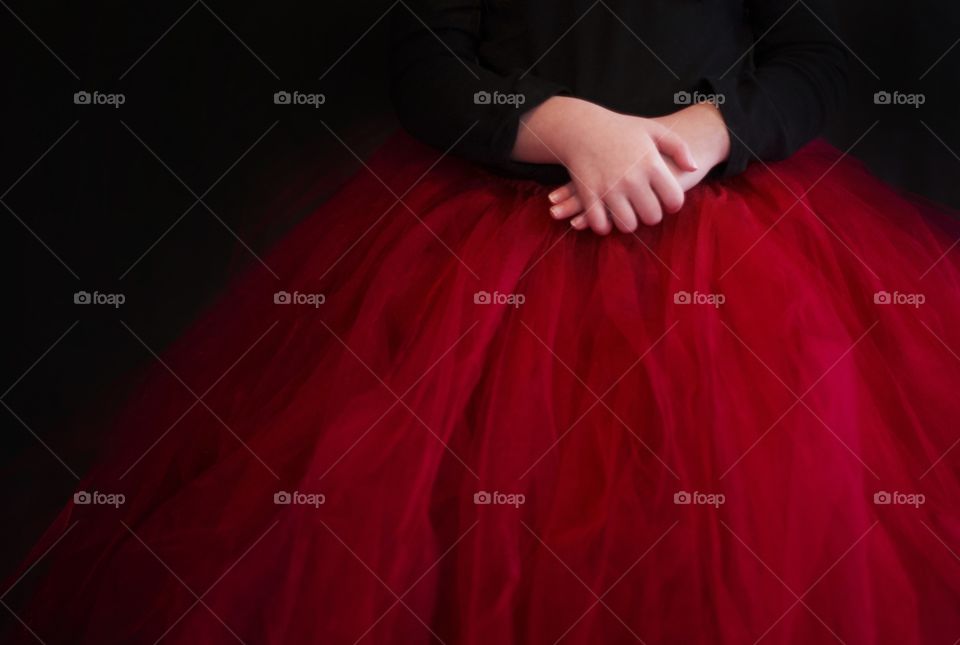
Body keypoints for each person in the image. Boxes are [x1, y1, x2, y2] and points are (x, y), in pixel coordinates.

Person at [5, 1, 960, 643]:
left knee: (753, 513)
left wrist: (699, 137)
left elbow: (816, 63)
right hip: (490, 231)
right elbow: (426, 64)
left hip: (723, 221)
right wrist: (566, 128)